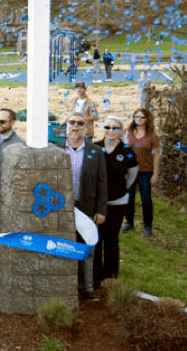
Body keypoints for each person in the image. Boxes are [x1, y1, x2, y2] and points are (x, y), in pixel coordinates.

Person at [55, 112, 107, 300]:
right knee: (63, 246)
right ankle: (65, 287)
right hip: (62, 208)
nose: (75, 126)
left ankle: (87, 288)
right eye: (72, 123)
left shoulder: (95, 152)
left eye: (79, 123)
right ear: (66, 126)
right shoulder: (57, 149)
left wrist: (101, 210)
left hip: (86, 207)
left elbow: (102, 182)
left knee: (86, 247)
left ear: (86, 128)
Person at [93, 117, 137, 289]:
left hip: (118, 201)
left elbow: (133, 173)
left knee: (111, 238)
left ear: (121, 130)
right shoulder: (95, 147)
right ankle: (95, 275)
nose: (111, 131)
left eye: (115, 128)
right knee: (96, 238)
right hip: (97, 201)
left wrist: (122, 189)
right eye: (107, 127)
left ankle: (110, 276)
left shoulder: (127, 150)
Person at [0, 109, 25, 231]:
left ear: (12, 123)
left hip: (8, 193)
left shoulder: (20, 144)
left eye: (2, 121)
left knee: (9, 226)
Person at [123, 108, 161, 237]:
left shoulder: (152, 136)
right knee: (129, 197)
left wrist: (155, 174)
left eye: (142, 117)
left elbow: (156, 156)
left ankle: (148, 225)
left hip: (146, 172)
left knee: (146, 199)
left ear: (147, 119)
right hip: (130, 171)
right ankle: (129, 222)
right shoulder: (128, 133)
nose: (138, 119)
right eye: (136, 116)